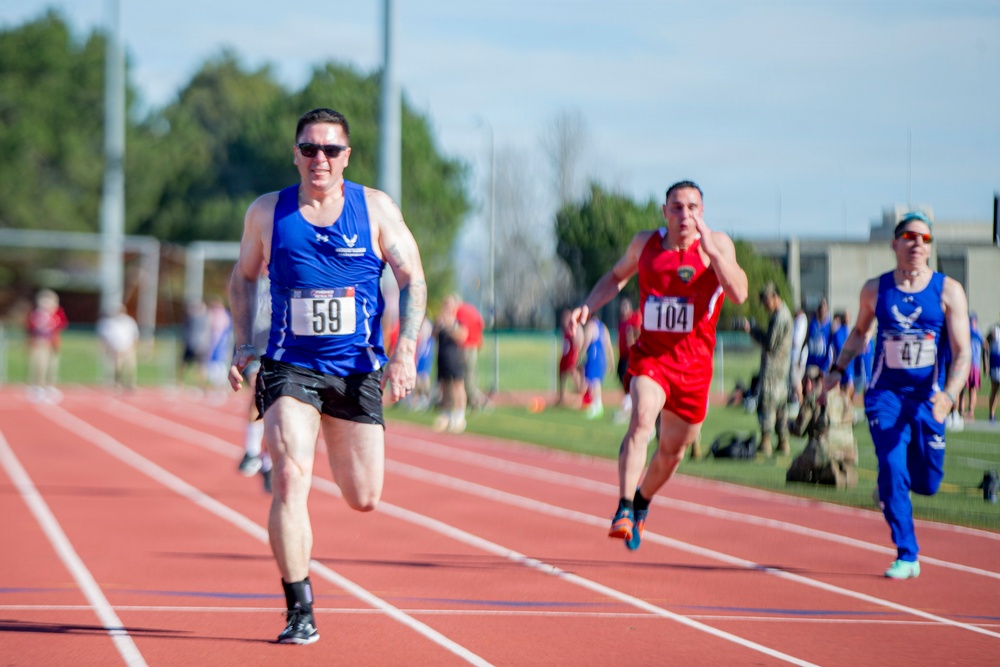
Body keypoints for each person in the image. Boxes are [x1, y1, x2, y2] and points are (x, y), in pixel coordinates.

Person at [227, 108, 426, 645]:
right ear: (295, 153)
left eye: (331, 150)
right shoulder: (268, 212)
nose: (320, 159)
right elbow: (243, 277)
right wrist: (245, 342)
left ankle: (302, 595)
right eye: (310, 149)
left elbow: (413, 278)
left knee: (364, 496)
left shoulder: (376, 208)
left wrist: (404, 347)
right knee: (291, 475)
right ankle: (300, 609)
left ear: (347, 156)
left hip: (357, 370)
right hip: (290, 366)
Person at [571, 180, 748, 550]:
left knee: (673, 452)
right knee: (642, 417)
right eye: (677, 207)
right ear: (665, 212)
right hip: (652, 358)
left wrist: (714, 253)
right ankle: (622, 507)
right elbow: (616, 277)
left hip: (694, 371)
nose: (685, 215)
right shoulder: (645, 244)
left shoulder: (719, 245)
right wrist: (590, 305)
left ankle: (642, 501)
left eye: (693, 207)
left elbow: (740, 293)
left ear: (703, 212)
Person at [823, 211, 970, 580]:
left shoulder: (948, 290)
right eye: (908, 236)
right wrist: (837, 370)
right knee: (891, 464)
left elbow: (963, 351)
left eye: (924, 238)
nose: (916, 243)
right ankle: (907, 553)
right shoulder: (876, 289)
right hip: (885, 395)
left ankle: (890, 490)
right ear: (894, 243)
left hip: (928, 398)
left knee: (929, 483)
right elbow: (858, 333)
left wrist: (950, 395)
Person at [743, 282, 793, 456]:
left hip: (773, 369)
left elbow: (769, 344)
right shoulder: (783, 315)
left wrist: (753, 331)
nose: (765, 305)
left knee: (768, 403)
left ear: (774, 297)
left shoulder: (780, 317)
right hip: (783, 368)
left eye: (766, 300)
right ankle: (782, 440)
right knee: (780, 405)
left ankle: (766, 440)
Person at [236, 272, 273, 492]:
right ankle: (251, 451)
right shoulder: (250, 281)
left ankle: (268, 462)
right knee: (260, 393)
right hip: (257, 349)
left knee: (277, 408)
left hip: (282, 348)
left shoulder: (289, 273)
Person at [432, 295, 468, 433]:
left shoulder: (458, 321)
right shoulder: (440, 321)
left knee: (458, 385)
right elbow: (433, 336)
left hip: (455, 358)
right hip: (442, 357)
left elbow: (463, 336)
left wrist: (450, 326)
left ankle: (460, 415)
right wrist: (439, 325)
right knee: (444, 386)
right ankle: (446, 413)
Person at [25, 288, 68, 401]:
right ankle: (38, 386)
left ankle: (50, 386)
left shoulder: (56, 313)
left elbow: (62, 324)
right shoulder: (35, 314)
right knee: (40, 365)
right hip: (40, 342)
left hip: (52, 343)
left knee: (52, 365)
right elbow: (31, 328)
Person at [97, 304, 140, 391]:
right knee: (117, 368)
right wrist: (109, 348)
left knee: (130, 367)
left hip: (128, 349)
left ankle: (130, 384)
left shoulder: (129, 321)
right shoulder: (110, 323)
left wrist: (132, 347)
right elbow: (105, 337)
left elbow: (135, 335)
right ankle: (117, 384)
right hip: (116, 350)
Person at [456, 298, 488, 410]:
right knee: (472, 373)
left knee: (467, 375)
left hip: (467, 345)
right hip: (474, 345)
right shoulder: (472, 310)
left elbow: (463, 330)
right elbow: (481, 324)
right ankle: (473, 399)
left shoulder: (461, 311)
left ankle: (472, 400)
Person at [580, 315, 614, 420]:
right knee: (594, 381)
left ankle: (597, 405)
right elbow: (608, 344)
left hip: (594, 357)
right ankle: (595, 404)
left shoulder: (591, 326)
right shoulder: (603, 326)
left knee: (593, 382)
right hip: (601, 357)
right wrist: (611, 360)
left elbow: (586, 342)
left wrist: (580, 356)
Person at [615, 297, 642, 420]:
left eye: (625, 306)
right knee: (620, 376)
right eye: (622, 307)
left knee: (629, 378)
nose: (623, 309)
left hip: (631, 355)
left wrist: (633, 336)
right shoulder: (621, 322)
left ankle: (630, 403)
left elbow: (637, 332)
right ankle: (628, 401)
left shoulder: (634, 318)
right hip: (623, 355)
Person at [178, 299, 211, 388]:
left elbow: (188, 317)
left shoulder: (194, 317)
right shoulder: (207, 317)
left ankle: (181, 383)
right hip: (203, 345)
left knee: (185, 364)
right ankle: (202, 385)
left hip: (193, 344)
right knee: (201, 366)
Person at [556, 309, 583, 405]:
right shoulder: (564, 329)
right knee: (561, 373)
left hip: (572, 353)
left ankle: (581, 394)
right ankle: (561, 397)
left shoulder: (574, 326)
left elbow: (578, 340)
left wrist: (578, 353)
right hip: (565, 354)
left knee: (572, 371)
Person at [960, 313, 984, 420]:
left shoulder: (966, 331)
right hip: (972, 363)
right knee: (967, 388)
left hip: (970, 363)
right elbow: (985, 345)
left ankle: (966, 410)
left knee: (966, 388)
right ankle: (967, 410)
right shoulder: (977, 333)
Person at [828, 310, 855, 402]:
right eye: (845, 316)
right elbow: (836, 349)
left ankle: (846, 410)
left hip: (848, 366)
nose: (847, 319)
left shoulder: (848, 332)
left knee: (848, 389)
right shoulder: (838, 331)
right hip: (839, 364)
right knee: (836, 389)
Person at [788, 306, 809, 409]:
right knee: (795, 381)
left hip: (798, 358)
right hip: (797, 357)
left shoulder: (801, 321)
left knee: (796, 380)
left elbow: (797, 340)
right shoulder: (799, 321)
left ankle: (800, 402)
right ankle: (797, 400)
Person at [805, 297, 832, 372]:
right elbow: (807, 340)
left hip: (824, 362)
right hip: (812, 360)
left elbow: (833, 347)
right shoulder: (812, 323)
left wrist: (831, 363)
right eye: (820, 307)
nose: (822, 310)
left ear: (827, 309)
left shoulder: (830, 325)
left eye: (824, 307)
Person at [988, 315, 1000, 424]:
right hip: (996, 364)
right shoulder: (995, 330)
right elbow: (986, 344)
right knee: (994, 390)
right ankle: (991, 414)